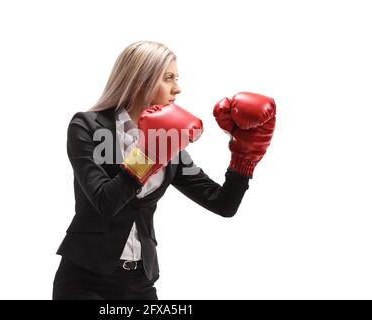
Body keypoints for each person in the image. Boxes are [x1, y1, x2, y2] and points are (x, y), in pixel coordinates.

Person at [52, 41, 276, 300]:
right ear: (140, 80)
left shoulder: (169, 140)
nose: (177, 88)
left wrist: (244, 158)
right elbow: (105, 201)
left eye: (177, 78)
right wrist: (148, 154)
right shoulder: (87, 126)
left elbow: (223, 204)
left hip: (140, 282)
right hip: (85, 280)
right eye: (168, 78)